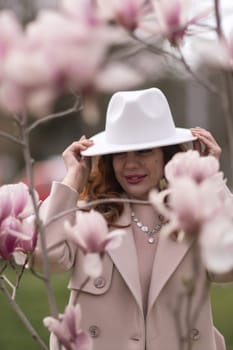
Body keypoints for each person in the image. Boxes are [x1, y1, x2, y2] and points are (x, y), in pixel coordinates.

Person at [37, 87, 225, 350]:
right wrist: (72, 179)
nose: (130, 164)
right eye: (120, 154)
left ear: (165, 154)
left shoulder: (192, 215)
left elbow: (227, 269)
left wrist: (210, 179)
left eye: (144, 151)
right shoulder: (90, 215)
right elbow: (45, 258)